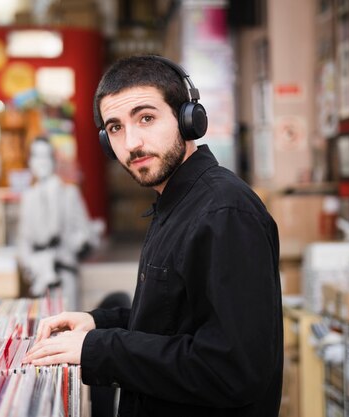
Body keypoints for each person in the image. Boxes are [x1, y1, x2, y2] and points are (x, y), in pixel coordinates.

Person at [24, 55, 283, 417]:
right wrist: (101, 323)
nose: (132, 143)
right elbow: (179, 321)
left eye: (146, 118)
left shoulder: (224, 213)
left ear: (188, 119)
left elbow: (233, 369)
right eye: (115, 128)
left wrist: (101, 349)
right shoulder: (174, 202)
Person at [17, 137, 101, 311]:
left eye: (45, 156)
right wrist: (31, 264)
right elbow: (23, 239)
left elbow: (83, 231)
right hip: (39, 274)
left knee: (68, 322)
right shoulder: (28, 198)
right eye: (36, 157)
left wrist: (77, 242)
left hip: (65, 269)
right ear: (30, 162)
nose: (41, 162)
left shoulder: (69, 192)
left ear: (53, 161)